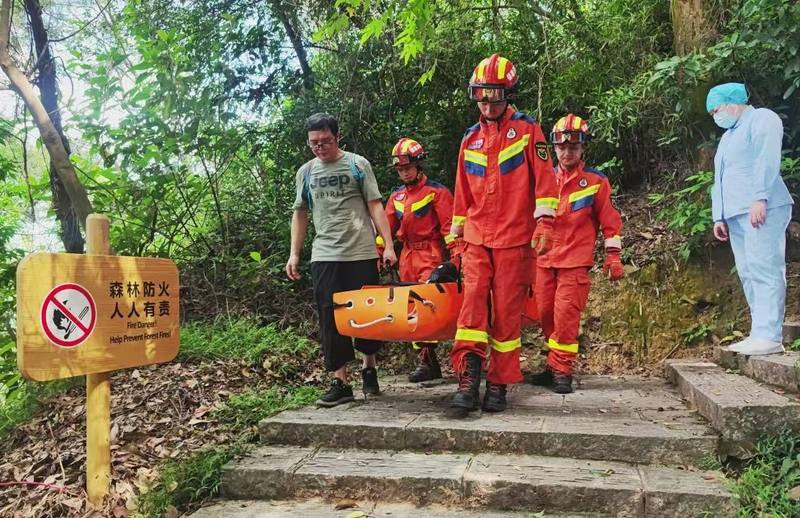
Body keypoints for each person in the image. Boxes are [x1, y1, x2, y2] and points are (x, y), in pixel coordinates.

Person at [448, 54, 558, 417]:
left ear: (508, 94)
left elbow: (545, 182)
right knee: (471, 308)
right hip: (478, 239)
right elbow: (462, 194)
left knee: (507, 317)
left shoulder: (528, 131)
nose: (487, 102)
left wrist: (544, 223)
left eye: (494, 95)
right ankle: (468, 380)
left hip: (515, 239)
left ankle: (498, 383)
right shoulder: (470, 139)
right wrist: (457, 239)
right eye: (481, 95)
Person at [286, 112, 398, 407]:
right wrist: (294, 253)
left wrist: (388, 245)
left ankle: (369, 366)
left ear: (337, 137)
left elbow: (375, 206)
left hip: (360, 251)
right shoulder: (306, 172)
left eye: (325, 140)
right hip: (324, 254)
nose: (320, 147)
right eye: (314, 143)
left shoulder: (357, 165)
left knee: (367, 314)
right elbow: (300, 213)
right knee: (329, 317)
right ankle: (341, 381)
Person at [531, 114, 623, 393]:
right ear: (554, 148)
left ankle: (562, 370)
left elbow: (610, 221)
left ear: (583, 148)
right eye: (561, 146)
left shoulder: (595, 182)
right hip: (544, 261)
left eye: (573, 147)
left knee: (565, 316)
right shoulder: (543, 179)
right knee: (545, 314)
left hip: (574, 263)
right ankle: (552, 363)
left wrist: (613, 255)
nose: (567, 152)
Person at [707, 83, 794, 355]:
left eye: (716, 110)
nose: (715, 116)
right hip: (735, 213)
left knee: (765, 267)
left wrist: (760, 197)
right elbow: (720, 178)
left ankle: (770, 335)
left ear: (733, 103)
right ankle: (759, 332)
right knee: (748, 272)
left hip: (761, 207)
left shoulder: (762, 119)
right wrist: (718, 215)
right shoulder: (728, 137)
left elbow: (766, 159)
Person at [384, 137, 463, 383]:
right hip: (407, 255)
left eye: (407, 167)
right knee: (410, 308)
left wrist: (457, 258)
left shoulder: (436, 193)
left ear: (419, 165)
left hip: (430, 253)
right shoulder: (396, 197)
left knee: (428, 305)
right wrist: (381, 253)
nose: (404, 172)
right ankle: (427, 361)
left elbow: (450, 229)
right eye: (400, 169)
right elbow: (385, 229)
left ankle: (437, 359)